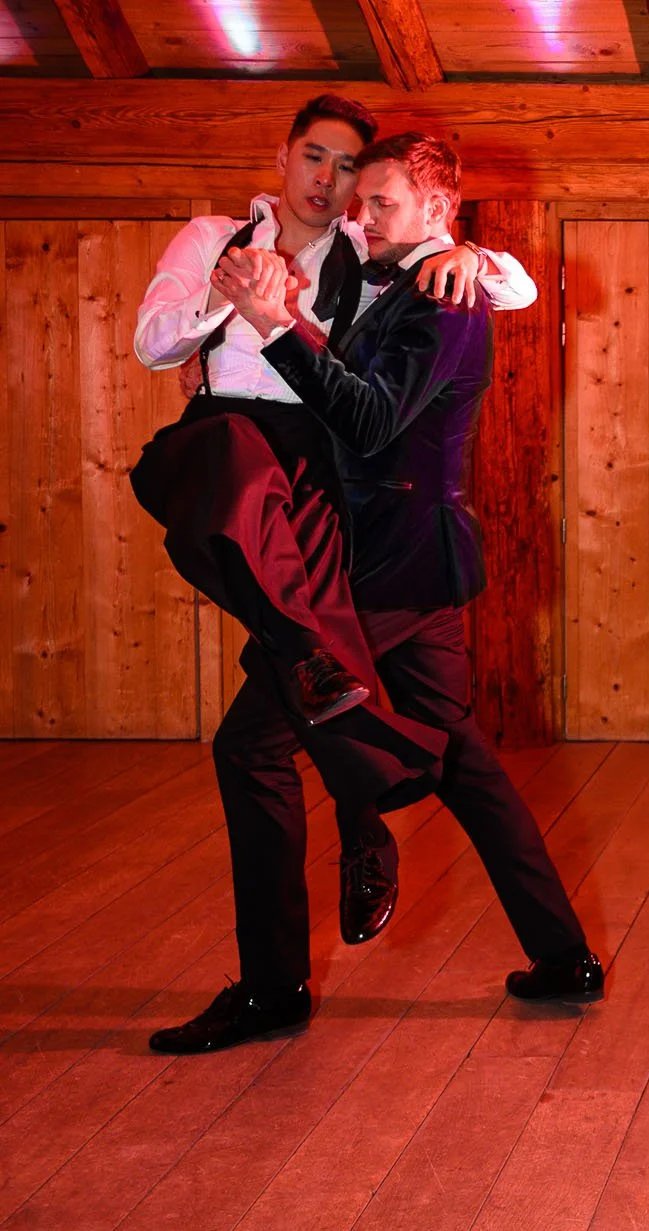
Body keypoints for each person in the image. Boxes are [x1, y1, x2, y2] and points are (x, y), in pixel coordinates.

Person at [149, 133, 604, 1056]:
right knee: (465, 755)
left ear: (439, 211)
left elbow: (365, 418)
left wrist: (277, 327)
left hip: (381, 570)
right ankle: (563, 955)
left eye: (380, 204)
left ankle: (276, 985)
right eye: (360, 203)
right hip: (405, 564)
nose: (358, 216)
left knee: (249, 750)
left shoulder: (447, 299)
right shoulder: (410, 277)